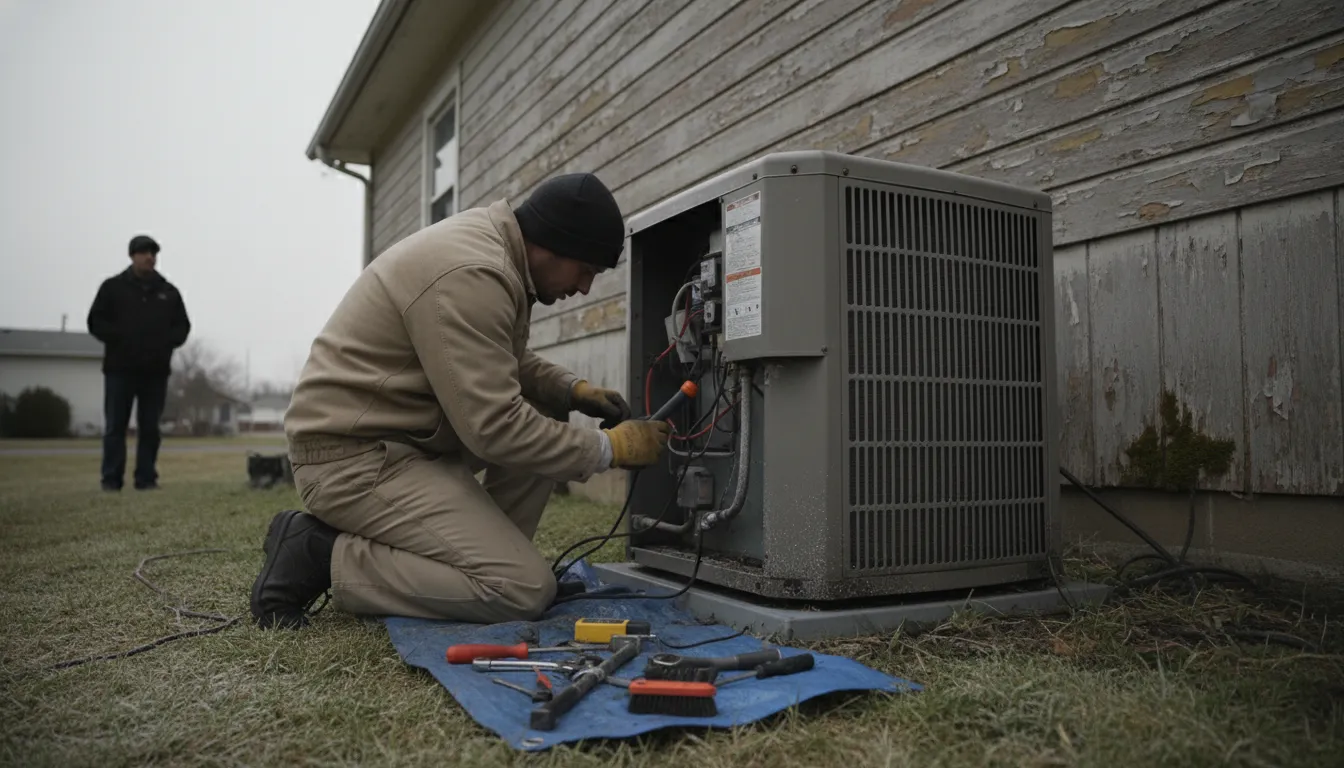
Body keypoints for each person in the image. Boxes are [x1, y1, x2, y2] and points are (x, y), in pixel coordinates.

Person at [250, 172, 671, 630]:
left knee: (545, 410)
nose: (585, 287)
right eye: (586, 271)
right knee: (523, 590)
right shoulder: (474, 272)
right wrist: (610, 448)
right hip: (350, 459)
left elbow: (490, 355)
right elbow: (495, 428)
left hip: (402, 442)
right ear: (554, 245)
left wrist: (570, 390)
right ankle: (318, 552)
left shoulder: (494, 251)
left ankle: (491, 559)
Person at [86, 234, 191, 491]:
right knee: (115, 427)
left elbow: (182, 327)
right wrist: (120, 339)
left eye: (153, 253)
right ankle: (111, 479)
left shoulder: (168, 292)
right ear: (132, 256)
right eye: (144, 252)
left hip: (154, 372)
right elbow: (95, 321)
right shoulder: (112, 288)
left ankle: (146, 479)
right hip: (119, 370)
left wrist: (164, 344)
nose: (149, 257)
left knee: (150, 429)